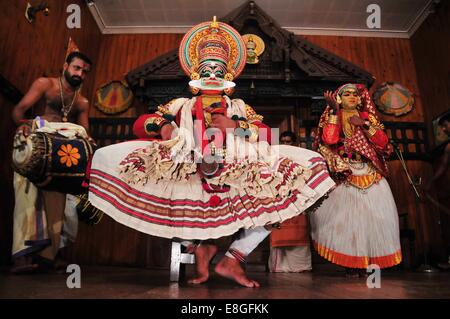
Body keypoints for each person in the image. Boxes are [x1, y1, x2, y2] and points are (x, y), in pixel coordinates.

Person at [86, 18, 335, 287]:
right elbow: (140, 125)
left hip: (235, 169)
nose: (213, 75)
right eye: (206, 70)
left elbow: (266, 134)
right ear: (195, 76)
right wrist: (165, 128)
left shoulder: (238, 107)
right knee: (150, 180)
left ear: (228, 76)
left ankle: (233, 259)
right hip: (189, 167)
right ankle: (199, 249)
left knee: (286, 189)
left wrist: (234, 127)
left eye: (219, 70)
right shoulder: (181, 104)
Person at [10, 51, 93, 273]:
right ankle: (22, 259)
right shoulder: (44, 84)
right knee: (28, 202)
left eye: (84, 71)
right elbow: (18, 111)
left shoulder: (82, 102)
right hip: (35, 147)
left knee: (61, 207)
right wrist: (25, 125)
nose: (80, 73)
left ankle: (49, 257)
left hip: (59, 156)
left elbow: (86, 133)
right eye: (76, 68)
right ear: (65, 65)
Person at [310, 83, 402, 277]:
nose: (352, 96)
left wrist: (365, 125)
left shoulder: (368, 117)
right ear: (339, 99)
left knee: (375, 219)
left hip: (369, 171)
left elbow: (383, 143)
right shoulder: (332, 115)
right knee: (346, 220)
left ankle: (372, 264)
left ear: (360, 99)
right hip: (345, 172)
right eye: (347, 94)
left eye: (355, 94)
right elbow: (329, 140)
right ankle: (351, 264)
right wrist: (335, 111)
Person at [268, 131, 312, 272]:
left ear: (295, 143)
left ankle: (301, 266)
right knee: (279, 231)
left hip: (298, 198)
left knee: (298, 233)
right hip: (278, 198)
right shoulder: (272, 158)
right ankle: (279, 267)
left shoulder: (302, 157)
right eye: (283, 142)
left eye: (289, 142)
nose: (286, 144)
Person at [425, 113, 450, 269]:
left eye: (445, 125)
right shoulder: (448, 146)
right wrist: (430, 183)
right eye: (442, 126)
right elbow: (443, 167)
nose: (443, 129)